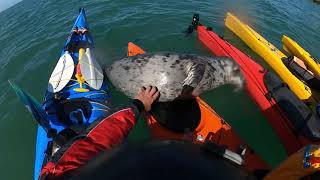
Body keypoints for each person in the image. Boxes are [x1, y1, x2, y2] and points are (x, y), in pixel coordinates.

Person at [39, 86, 160, 179]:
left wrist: (137, 106)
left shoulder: (58, 173)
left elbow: (96, 143)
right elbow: (97, 142)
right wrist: (137, 106)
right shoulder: (61, 172)